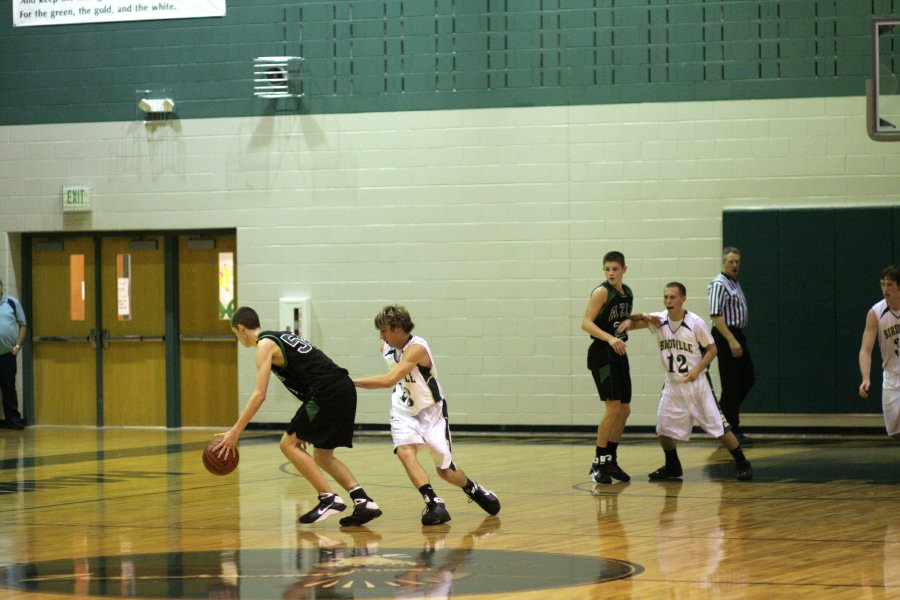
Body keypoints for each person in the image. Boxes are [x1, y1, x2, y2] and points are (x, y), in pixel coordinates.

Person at [215, 306, 382, 527]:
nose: (238, 339)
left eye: (236, 334)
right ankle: (363, 501)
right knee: (322, 455)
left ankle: (328, 498)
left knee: (288, 444)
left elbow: (259, 395)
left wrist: (235, 432)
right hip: (342, 388)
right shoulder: (280, 337)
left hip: (327, 392)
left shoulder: (264, 345)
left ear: (241, 328)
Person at [352, 305, 500, 526]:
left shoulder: (417, 348)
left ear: (398, 327)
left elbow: (389, 380)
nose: (381, 336)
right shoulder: (385, 347)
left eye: (384, 330)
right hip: (403, 410)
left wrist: (349, 381)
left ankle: (472, 488)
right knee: (404, 451)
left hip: (432, 412)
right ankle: (433, 502)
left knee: (445, 472)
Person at [631, 282, 752, 481]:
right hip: (673, 384)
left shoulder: (695, 322)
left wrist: (697, 369)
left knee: (719, 426)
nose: (668, 301)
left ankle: (742, 462)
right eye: (666, 297)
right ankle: (672, 465)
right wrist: (641, 315)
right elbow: (631, 323)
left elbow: (712, 349)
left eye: (672, 297)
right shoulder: (659, 319)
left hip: (697, 384)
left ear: (683, 299)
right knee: (662, 427)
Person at [581, 251, 637, 484]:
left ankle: (610, 459)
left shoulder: (627, 293)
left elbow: (621, 322)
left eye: (615, 269)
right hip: (603, 353)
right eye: (607, 269)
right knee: (613, 408)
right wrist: (610, 338)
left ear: (624, 269)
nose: (611, 273)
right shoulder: (602, 291)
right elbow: (586, 323)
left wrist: (632, 322)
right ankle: (598, 462)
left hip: (618, 352)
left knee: (625, 410)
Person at [708, 247, 754, 442]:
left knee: (747, 377)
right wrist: (730, 339)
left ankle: (723, 414)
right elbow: (716, 315)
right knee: (731, 382)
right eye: (731, 261)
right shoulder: (719, 284)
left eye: (737, 262)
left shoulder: (733, 283)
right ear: (723, 263)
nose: (735, 265)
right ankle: (731, 428)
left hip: (736, 334)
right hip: (725, 334)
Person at [858, 265, 900, 441]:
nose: (885, 289)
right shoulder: (875, 313)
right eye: (882, 284)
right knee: (895, 434)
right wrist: (865, 378)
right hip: (891, 376)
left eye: (889, 284)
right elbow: (865, 350)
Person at [0, 278, 27, 430]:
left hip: (7, 355)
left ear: (1, 287)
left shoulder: (12, 302)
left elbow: (23, 324)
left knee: (8, 387)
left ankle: (13, 419)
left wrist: (17, 346)